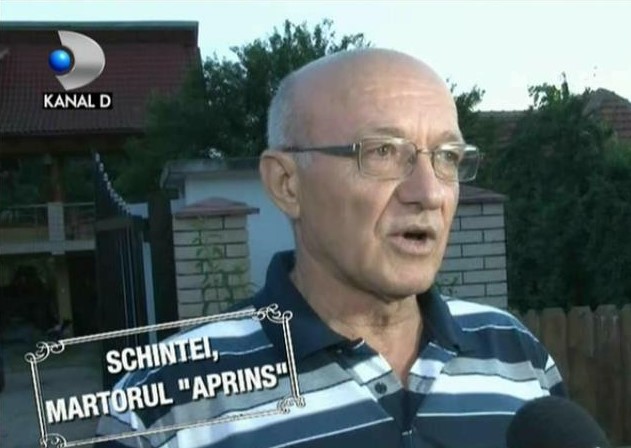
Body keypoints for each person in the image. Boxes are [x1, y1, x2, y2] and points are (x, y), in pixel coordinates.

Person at [97, 48, 565, 448]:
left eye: (447, 157)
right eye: (382, 152)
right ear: (286, 184)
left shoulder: (516, 356)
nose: (429, 192)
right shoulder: (165, 404)